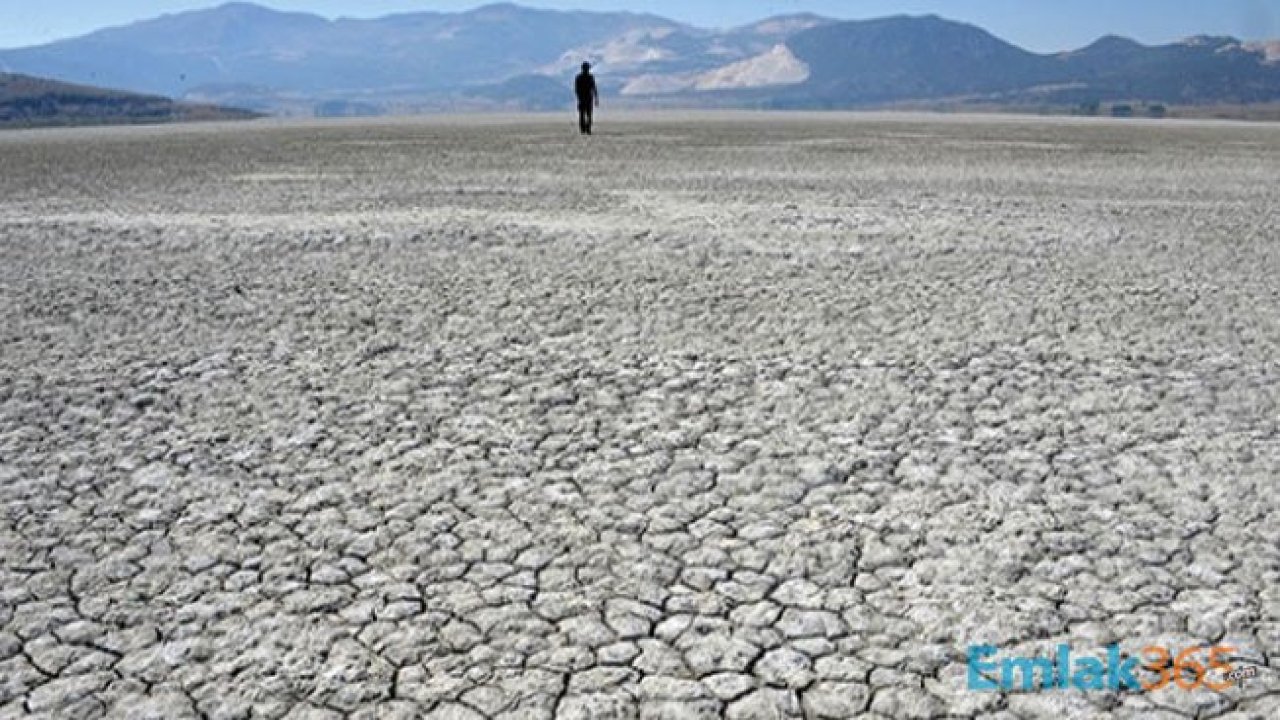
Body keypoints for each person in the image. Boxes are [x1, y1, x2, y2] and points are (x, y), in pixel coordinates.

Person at [574, 62, 599, 135]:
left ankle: (586, 129)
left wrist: (596, 97)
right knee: (585, 115)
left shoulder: (585, 77)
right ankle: (585, 129)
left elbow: (593, 87)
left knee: (586, 115)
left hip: (586, 98)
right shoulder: (585, 77)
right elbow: (577, 89)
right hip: (585, 98)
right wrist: (596, 97)